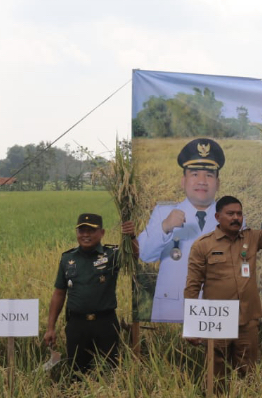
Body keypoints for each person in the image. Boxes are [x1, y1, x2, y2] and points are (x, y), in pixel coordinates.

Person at [184, 184, 262, 379]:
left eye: (239, 214)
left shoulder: (252, 238)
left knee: (248, 371)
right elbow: (192, 286)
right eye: (230, 213)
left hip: (247, 318)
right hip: (217, 318)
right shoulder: (203, 245)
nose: (236, 218)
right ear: (217, 217)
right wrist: (191, 326)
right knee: (216, 371)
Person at [137, 137, 224, 322]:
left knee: (216, 351)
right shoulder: (163, 213)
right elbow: (144, 254)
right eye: (194, 174)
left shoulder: (232, 218)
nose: (202, 181)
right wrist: (165, 228)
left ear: (218, 183)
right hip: (172, 309)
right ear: (183, 181)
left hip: (216, 311)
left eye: (209, 175)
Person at [43, 213, 138, 373]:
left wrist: (131, 236)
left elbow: (137, 255)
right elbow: (59, 293)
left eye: (91, 230)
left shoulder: (112, 255)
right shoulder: (68, 258)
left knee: (111, 372)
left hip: (105, 323)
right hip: (77, 325)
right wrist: (50, 327)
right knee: (76, 373)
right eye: (81, 230)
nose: (86, 235)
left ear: (102, 233)